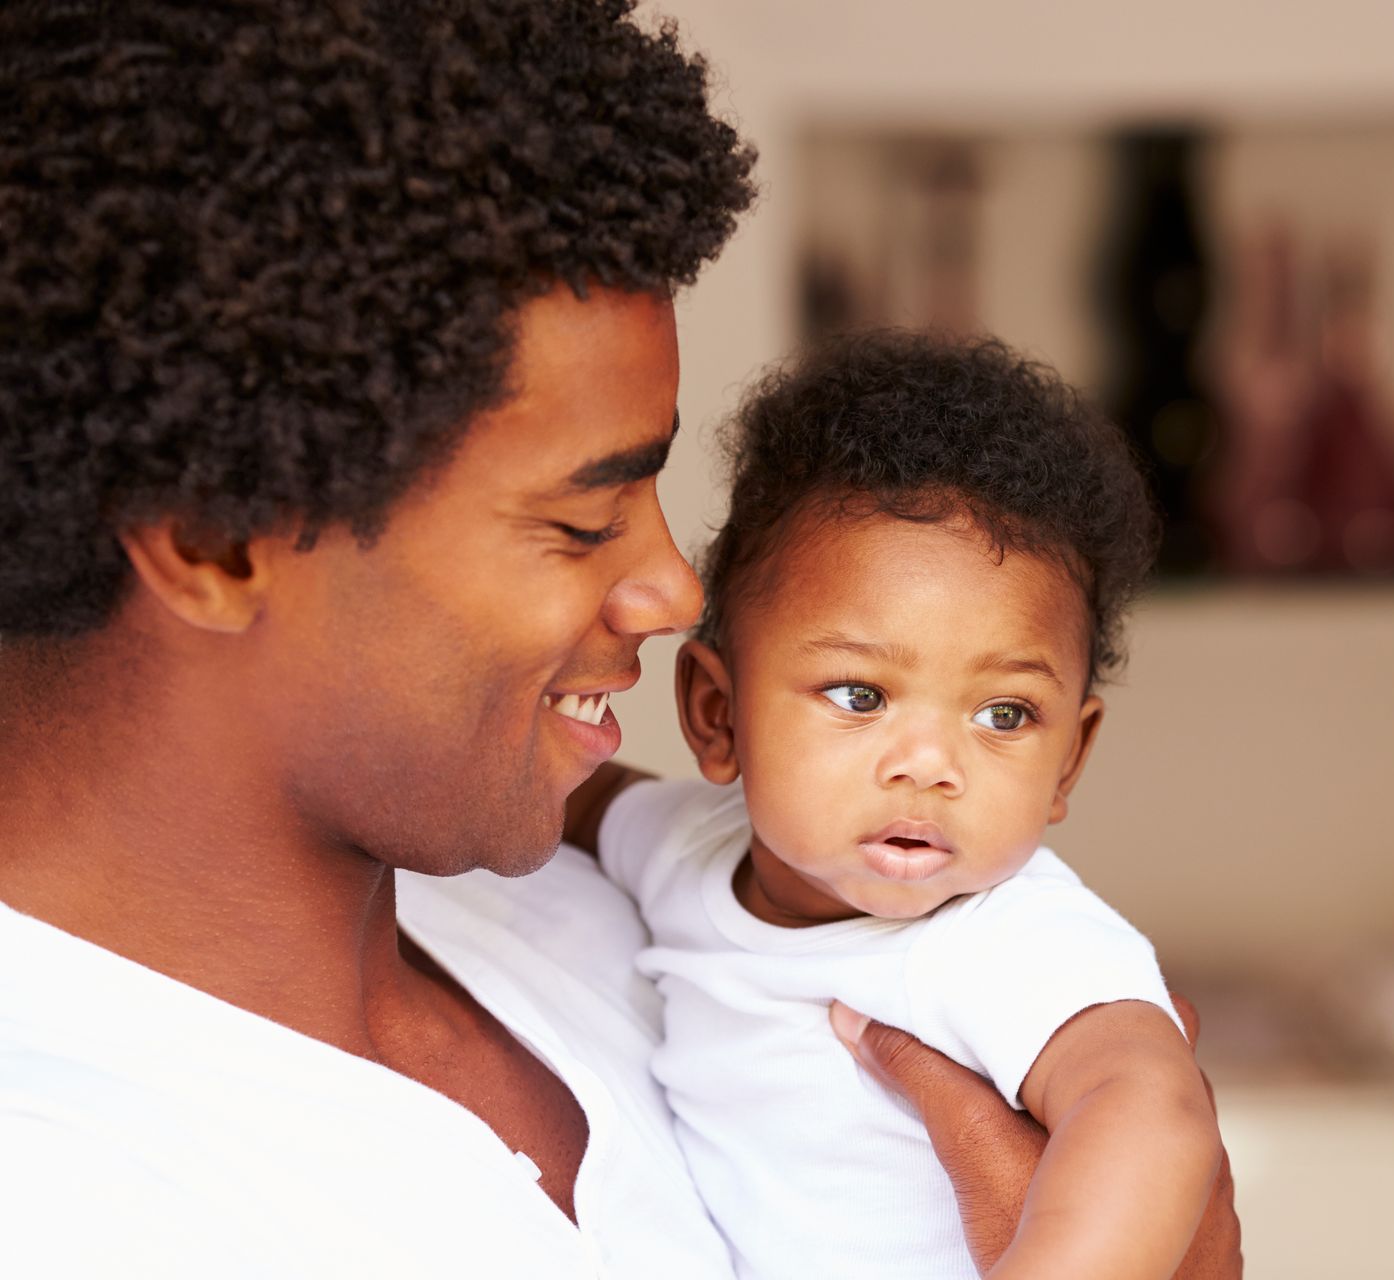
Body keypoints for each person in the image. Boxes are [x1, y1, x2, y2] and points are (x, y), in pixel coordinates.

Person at [0, 2, 1241, 1276]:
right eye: (584, 518)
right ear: (217, 543)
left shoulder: (577, 898)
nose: (673, 588)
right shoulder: (66, 1186)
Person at [578, 330, 1220, 1280]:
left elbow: (1150, 1111)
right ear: (715, 715)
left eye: (1004, 714)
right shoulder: (684, 850)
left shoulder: (1004, 935)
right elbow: (566, 791)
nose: (929, 764)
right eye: (860, 695)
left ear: (1068, 763)